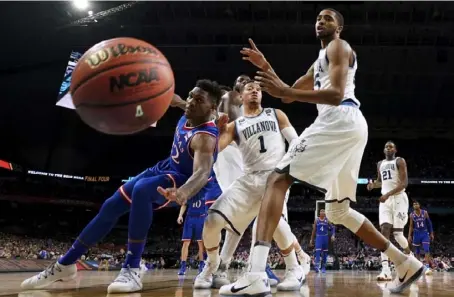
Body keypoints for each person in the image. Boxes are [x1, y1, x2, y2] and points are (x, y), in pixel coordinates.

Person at [222, 8, 424, 296]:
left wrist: (288, 92)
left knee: (276, 180)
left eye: (328, 18)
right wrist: (266, 66)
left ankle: (255, 273)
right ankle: (403, 262)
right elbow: (286, 92)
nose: (321, 21)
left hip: (338, 118)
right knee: (338, 210)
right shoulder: (318, 62)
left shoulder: (338, 47)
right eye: (318, 17)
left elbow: (336, 94)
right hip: (351, 127)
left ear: (339, 28)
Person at [21, 80, 223, 293]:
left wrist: (183, 193)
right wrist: (175, 100)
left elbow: (202, 172)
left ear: (212, 109)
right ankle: (66, 264)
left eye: (198, 100)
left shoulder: (205, 137)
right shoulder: (192, 111)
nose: (191, 102)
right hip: (164, 168)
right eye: (191, 95)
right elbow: (184, 103)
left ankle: (132, 268)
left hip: (182, 181)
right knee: (110, 206)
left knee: (143, 190)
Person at [195, 80, 305, 292]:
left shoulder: (276, 114)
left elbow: (296, 142)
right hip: (248, 179)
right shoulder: (235, 125)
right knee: (212, 221)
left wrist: (291, 167)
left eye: (258, 89)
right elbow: (214, 151)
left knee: (276, 224)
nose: (255, 90)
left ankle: (294, 269)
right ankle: (213, 264)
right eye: (249, 89)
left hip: (274, 177)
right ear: (240, 97)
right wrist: (216, 133)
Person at [367, 141, 411, 281]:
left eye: (391, 146)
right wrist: (373, 185)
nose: (388, 148)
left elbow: (404, 183)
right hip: (385, 200)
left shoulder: (400, 161)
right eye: (386, 146)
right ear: (383, 150)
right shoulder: (380, 164)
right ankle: (385, 270)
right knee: (384, 230)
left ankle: (412, 258)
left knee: (398, 234)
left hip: (398, 198)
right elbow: (381, 181)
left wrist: (387, 194)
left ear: (395, 150)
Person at [177, 196, 207, 275]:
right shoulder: (191, 191)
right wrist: (180, 215)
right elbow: (184, 204)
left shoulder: (206, 191)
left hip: (201, 218)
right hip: (189, 218)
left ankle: (201, 265)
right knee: (186, 242)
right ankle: (183, 266)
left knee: (201, 243)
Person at [408, 201, 434, 275]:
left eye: (416, 204)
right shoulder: (412, 215)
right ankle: (418, 268)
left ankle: (427, 267)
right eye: (414, 204)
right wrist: (409, 235)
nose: (415, 205)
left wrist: (431, 233)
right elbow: (411, 226)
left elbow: (429, 223)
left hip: (425, 233)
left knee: (426, 249)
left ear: (419, 205)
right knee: (417, 251)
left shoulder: (425, 213)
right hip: (416, 234)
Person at [310, 209, 335, 273]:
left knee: (325, 253)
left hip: (325, 238)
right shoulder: (316, 220)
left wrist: (333, 235)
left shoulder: (327, 220)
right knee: (317, 252)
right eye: (321, 211)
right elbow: (313, 231)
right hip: (318, 237)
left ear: (325, 213)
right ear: (319, 213)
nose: (322, 212)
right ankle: (317, 267)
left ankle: (323, 267)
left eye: (323, 211)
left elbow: (333, 228)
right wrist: (311, 240)